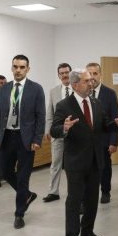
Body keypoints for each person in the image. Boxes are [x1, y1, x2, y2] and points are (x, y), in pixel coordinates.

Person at [50, 69, 118, 236]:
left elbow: (104, 126)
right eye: (87, 80)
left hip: (96, 159)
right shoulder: (64, 105)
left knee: (91, 199)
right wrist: (64, 128)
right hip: (75, 161)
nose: (91, 83)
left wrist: (117, 123)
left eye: (92, 80)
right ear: (75, 85)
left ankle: (87, 231)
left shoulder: (96, 102)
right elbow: (54, 130)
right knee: (74, 202)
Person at [0, 55, 45, 230]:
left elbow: (41, 116)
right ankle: (27, 195)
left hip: (26, 139)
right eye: (15, 67)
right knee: (5, 172)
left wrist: (37, 139)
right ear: (12, 68)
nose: (18, 70)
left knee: (22, 177)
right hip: (6, 136)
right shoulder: (4, 89)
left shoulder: (36, 89)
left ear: (28, 69)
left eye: (22, 67)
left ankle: (19, 213)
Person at [86, 62, 118, 204]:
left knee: (105, 168)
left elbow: (115, 118)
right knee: (87, 169)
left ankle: (106, 191)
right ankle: (87, 195)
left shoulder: (110, 93)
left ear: (100, 74)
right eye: (90, 74)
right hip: (86, 141)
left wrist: (113, 142)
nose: (92, 77)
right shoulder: (82, 93)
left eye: (95, 73)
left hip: (104, 139)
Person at [43, 63, 73, 203]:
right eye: (62, 73)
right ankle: (53, 192)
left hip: (75, 134)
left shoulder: (78, 88)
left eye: (67, 72)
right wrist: (48, 130)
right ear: (58, 75)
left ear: (71, 73)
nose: (65, 75)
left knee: (73, 165)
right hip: (58, 133)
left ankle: (73, 192)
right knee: (55, 164)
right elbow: (50, 112)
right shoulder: (54, 91)